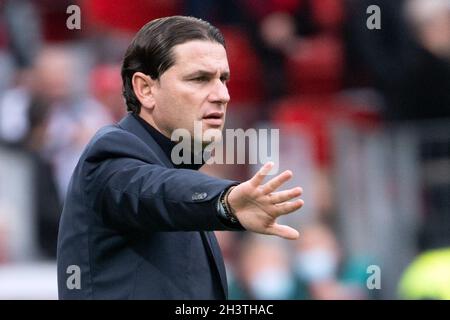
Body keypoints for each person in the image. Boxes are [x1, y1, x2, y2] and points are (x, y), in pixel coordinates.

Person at [57, 16, 304, 300]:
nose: (222, 95)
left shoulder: (178, 168)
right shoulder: (112, 150)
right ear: (145, 89)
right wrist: (224, 201)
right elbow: (156, 189)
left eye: (223, 79)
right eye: (199, 79)